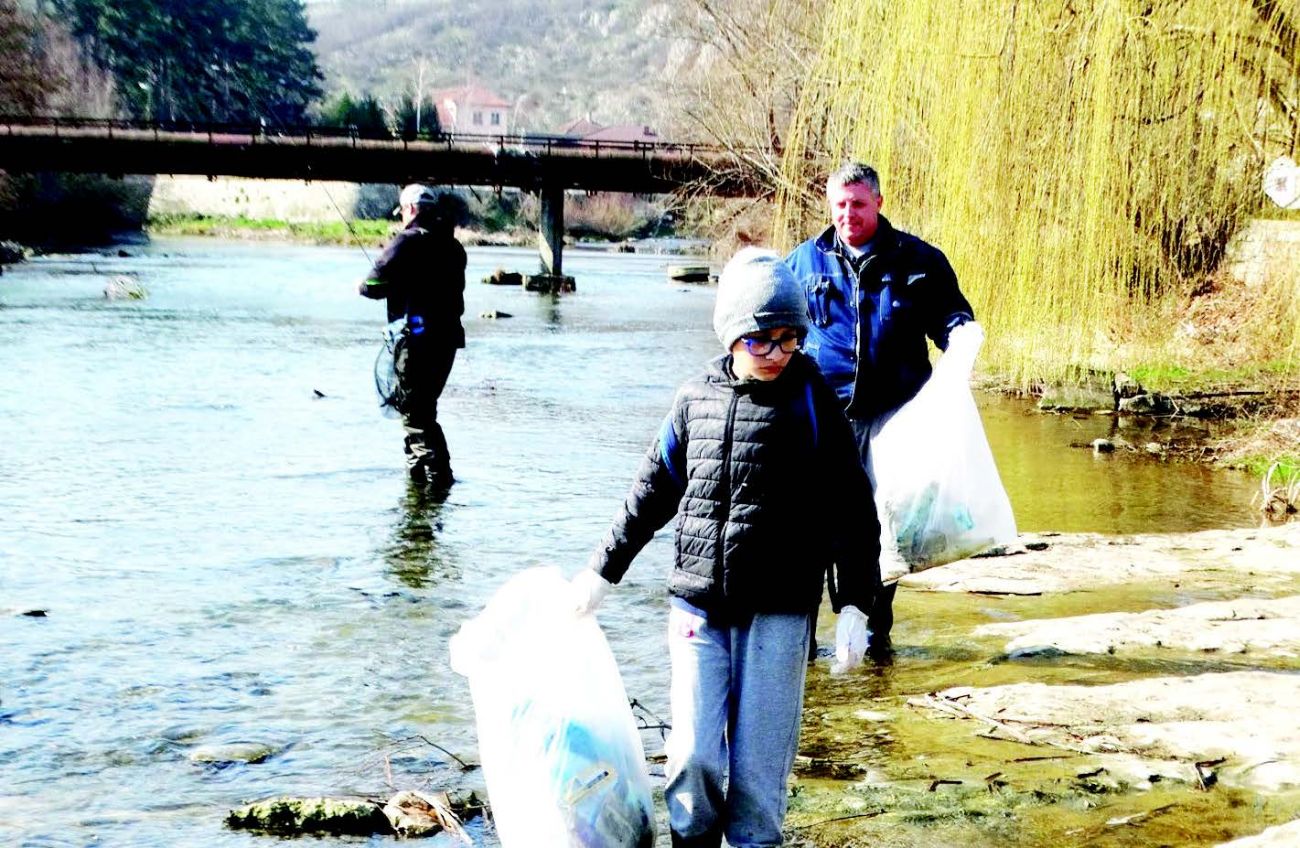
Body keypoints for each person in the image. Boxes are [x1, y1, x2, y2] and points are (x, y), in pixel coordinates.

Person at [570, 247, 881, 848]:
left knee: (759, 774)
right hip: (698, 607)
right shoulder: (695, 399)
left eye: (790, 339)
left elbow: (852, 508)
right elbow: (650, 491)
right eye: (762, 340)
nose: (777, 354)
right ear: (732, 334)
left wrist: (855, 603)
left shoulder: (815, 401)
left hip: (779, 611)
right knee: (693, 758)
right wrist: (601, 572)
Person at [785, 161, 981, 658]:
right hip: (823, 418)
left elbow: (952, 319)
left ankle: (876, 634)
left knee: (884, 526)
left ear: (878, 202)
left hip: (896, 420)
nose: (848, 214)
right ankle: (804, 642)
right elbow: (779, 333)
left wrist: (962, 336)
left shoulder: (919, 262)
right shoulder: (803, 264)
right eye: (839, 204)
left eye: (858, 204)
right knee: (812, 526)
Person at [358, 183, 466, 491]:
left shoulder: (407, 241)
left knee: (415, 414)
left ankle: (438, 484)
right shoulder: (454, 248)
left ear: (412, 209)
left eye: (403, 212)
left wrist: (362, 286)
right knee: (422, 409)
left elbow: (372, 285)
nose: (403, 218)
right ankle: (417, 489)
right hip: (447, 342)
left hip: (416, 343)